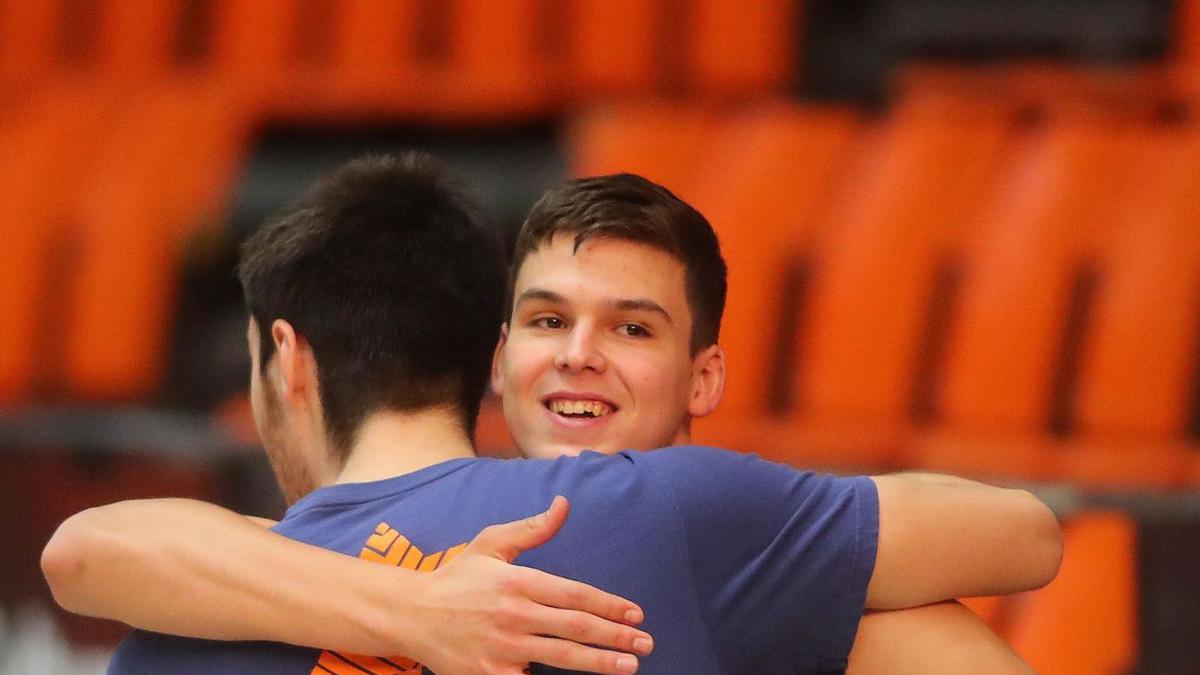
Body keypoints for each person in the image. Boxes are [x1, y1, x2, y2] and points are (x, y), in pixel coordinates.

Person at [43, 158, 1059, 672]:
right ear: (491, 357)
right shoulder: (682, 514)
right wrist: (417, 611)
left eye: (630, 330)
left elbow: (86, 549)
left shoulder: (196, 600)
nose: (577, 355)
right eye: (546, 320)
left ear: (284, 359)